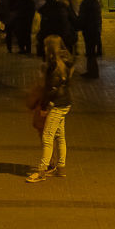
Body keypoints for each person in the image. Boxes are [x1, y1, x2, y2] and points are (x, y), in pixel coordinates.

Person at [27, 35, 72, 183]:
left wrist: (44, 106)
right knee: (60, 135)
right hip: (65, 102)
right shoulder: (67, 61)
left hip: (57, 104)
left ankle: (42, 170)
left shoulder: (54, 65)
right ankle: (61, 168)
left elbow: (50, 89)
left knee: (47, 137)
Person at [78, 0, 102, 78]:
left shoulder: (87, 2)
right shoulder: (95, 1)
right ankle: (92, 71)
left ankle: (92, 72)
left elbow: (83, 17)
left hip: (89, 30)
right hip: (94, 30)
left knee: (90, 52)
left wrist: (79, 25)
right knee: (91, 52)